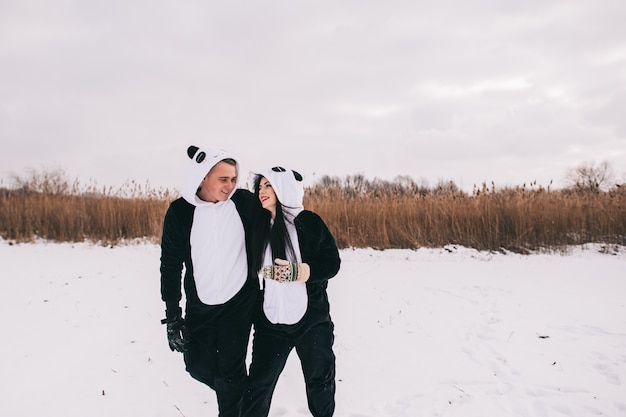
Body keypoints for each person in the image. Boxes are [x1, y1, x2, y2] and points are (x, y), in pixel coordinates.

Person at [160, 145, 265, 417]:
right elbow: (170, 264)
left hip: (239, 302)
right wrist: (173, 315)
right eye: (223, 179)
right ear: (203, 177)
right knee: (197, 367)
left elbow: (276, 212)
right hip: (201, 304)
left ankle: (234, 400)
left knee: (230, 373)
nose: (230, 185)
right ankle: (240, 393)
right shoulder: (180, 212)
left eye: (233, 178)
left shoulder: (243, 203)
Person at [242, 166, 341, 417]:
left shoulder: (308, 222)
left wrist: (299, 273)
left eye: (268, 185)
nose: (261, 191)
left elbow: (332, 263)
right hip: (271, 322)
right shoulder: (259, 226)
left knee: (320, 383)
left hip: (311, 321)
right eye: (260, 186)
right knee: (257, 387)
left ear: (283, 188)